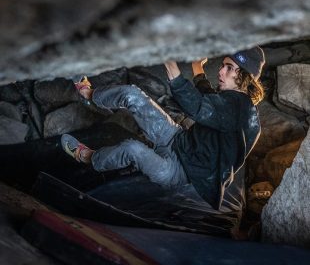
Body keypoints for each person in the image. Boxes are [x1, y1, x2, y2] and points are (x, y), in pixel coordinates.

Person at [61, 46, 265, 211]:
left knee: (133, 149)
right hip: (177, 139)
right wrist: (197, 66)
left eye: (229, 68)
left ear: (245, 76)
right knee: (132, 94)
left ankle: (88, 157)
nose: (221, 71)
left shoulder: (242, 112)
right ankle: (90, 95)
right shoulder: (233, 102)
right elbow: (210, 100)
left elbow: (196, 105)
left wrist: (169, 59)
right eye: (223, 65)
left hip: (178, 171)